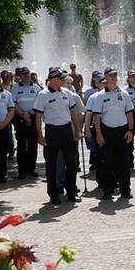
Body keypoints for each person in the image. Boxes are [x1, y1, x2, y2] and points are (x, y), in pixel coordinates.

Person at [34, 68, 83, 204]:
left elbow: (73, 112)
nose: (64, 80)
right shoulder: (42, 95)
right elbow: (38, 116)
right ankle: (53, 193)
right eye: (61, 78)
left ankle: (72, 192)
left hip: (67, 131)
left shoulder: (67, 93)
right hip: (52, 132)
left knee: (71, 164)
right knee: (51, 165)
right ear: (54, 79)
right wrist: (40, 135)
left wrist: (78, 130)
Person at [89, 68, 134, 199]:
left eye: (115, 75)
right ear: (106, 78)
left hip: (123, 132)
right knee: (107, 163)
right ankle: (108, 191)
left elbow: (130, 113)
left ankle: (125, 190)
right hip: (107, 132)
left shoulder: (124, 94)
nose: (114, 78)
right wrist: (99, 134)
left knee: (124, 163)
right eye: (111, 76)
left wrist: (130, 130)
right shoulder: (100, 96)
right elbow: (96, 117)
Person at [11, 67, 42, 178]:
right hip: (20, 118)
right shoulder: (15, 88)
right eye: (23, 74)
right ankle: (22, 171)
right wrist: (24, 114)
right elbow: (13, 104)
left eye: (27, 74)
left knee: (33, 145)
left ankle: (31, 169)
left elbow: (40, 103)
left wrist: (30, 113)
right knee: (22, 146)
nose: (26, 76)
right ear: (20, 76)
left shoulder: (36, 87)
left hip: (34, 118)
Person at [124, 69, 135, 168]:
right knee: (130, 139)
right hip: (131, 114)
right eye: (132, 76)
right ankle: (130, 161)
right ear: (128, 78)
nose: (134, 78)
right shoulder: (125, 90)